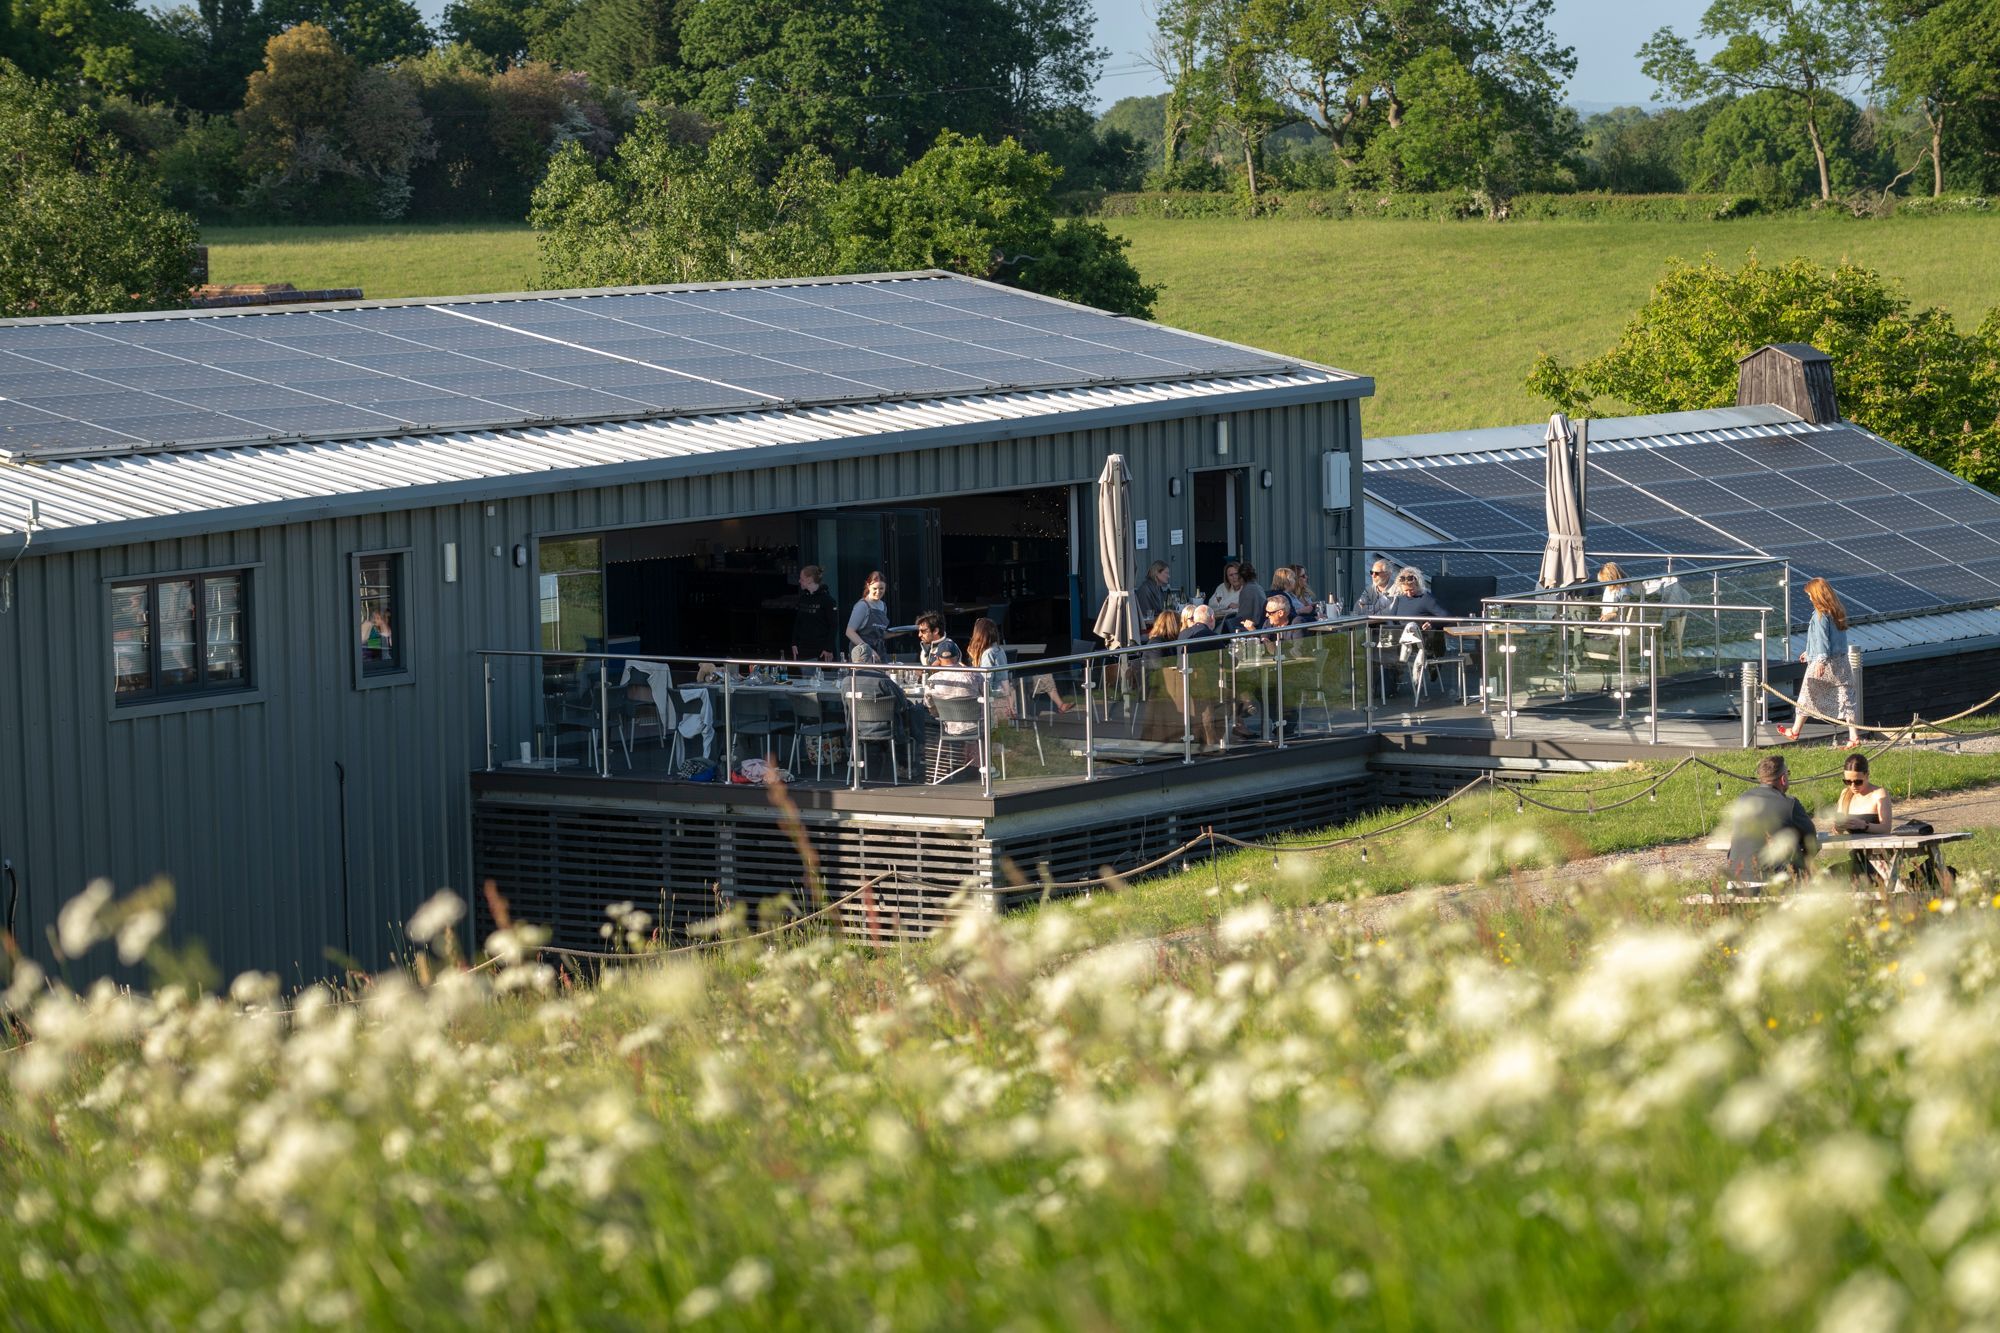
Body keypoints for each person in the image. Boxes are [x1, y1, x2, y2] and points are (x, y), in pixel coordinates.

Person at [1780, 577, 1859, 748]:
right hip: (1841, 661)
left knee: (1807, 695)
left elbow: (1823, 640)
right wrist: (1809, 652)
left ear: (1817, 595)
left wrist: (1819, 660)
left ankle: (1795, 730)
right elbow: (1831, 640)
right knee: (1846, 696)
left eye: (1810, 595)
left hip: (1824, 662)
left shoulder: (1819, 615)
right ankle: (1854, 737)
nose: (1809, 598)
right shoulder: (1836, 611)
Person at [1724, 754, 1819, 887]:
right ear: (1783, 779)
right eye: (1788, 773)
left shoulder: (1743, 800)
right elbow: (1812, 841)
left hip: (1735, 882)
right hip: (1771, 883)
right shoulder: (1789, 804)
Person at [968, 615, 1072, 713]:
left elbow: (986, 679)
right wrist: (1008, 697)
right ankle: (1060, 705)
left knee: (1044, 677)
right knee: (1044, 677)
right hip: (1005, 689)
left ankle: (1060, 705)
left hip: (997, 689)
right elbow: (1001, 678)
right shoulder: (997, 651)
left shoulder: (981, 652)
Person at [790, 565, 838, 662]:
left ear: (809, 580)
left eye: (802, 579)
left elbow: (834, 626)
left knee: (822, 676)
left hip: (822, 650)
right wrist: (794, 643)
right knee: (805, 676)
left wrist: (828, 648)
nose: (799, 581)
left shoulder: (828, 600)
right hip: (803, 649)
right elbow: (798, 623)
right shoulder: (803, 598)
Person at [845, 571, 889, 663]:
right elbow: (849, 632)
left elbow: (881, 633)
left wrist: (901, 632)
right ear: (868, 586)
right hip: (862, 655)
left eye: (881, 588)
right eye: (875, 588)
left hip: (879, 651)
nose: (878, 592)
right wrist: (868, 650)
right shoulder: (862, 606)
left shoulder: (883, 606)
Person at [1136, 560, 1173, 625]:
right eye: (1166, 573)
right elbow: (1145, 617)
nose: (1168, 576)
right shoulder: (1145, 589)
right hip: (1148, 629)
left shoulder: (1158, 588)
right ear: (1157, 573)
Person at [1207, 560, 1244, 626]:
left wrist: (1221, 608)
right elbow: (1211, 604)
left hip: (1237, 624)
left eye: (1236, 574)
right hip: (1218, 622)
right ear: (1227, 578)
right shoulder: (1222, 587)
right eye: (1231, 575)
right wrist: (1228, 605)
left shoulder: (1246, 589)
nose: (1234, 577)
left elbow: (1239, 611)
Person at [1235, 562, 1266, 632]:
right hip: (1261, 624)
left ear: (1241, 578)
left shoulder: (1246, 590)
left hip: (1253, 627)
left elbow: (1243, 616)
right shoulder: (1259, 587)